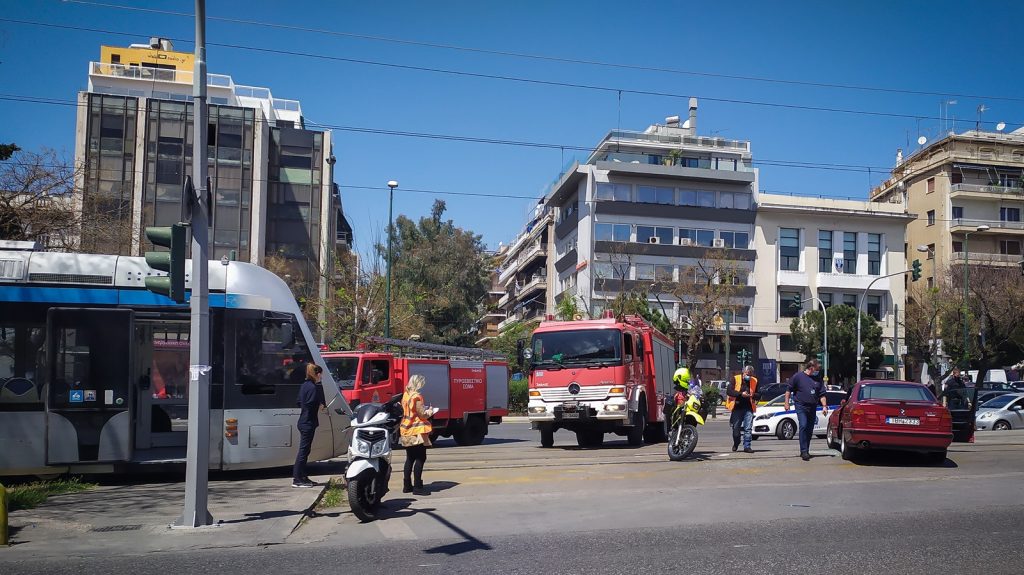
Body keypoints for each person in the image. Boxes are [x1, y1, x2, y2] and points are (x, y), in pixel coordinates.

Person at [784, 358, 828, 461]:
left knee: (809, 429)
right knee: (803, 425)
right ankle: (804, 451)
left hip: (812, 407)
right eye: (817, 369)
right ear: (811, 368)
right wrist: (786, 403)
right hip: (801, 406)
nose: (818, 371)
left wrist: (824, 406)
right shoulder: (798, 377)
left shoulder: (818, 379)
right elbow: (788, 390)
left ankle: (806, 449)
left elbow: (822, 394)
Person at [400, 374, 437, 496]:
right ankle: (417, 487)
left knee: (410, 458)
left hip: (406, 429)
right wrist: (430, 411)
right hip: (416, 431)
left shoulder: (406, 395)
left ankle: (407, 485)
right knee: (421, 458)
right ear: (418, 383)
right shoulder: (416, 397)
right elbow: (422, 414)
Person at [292, 363, 325, 488]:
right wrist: (320, 405)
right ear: (317, 374)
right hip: (308, 422)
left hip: (303, 420)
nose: (321, 377)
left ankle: (303, 476)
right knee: (303, 451)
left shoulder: (304, 385)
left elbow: (299, 402)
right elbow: (311, 403)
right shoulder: (313, 387)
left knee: (305, 451)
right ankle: (297, 479)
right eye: (321, 375)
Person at [726, 365, 759, 453]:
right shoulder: (735, 379)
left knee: (748, 428)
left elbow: (758, 394)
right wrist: (741, 394)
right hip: (737, 407)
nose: (749, 376)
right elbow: (729, 391)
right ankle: (736, 442)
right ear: (743, 372)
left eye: (750, 375)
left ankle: (747, 446)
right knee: (736, 429)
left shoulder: (754, 380)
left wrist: (753, 395)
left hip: (748, 408)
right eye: (747, 374)